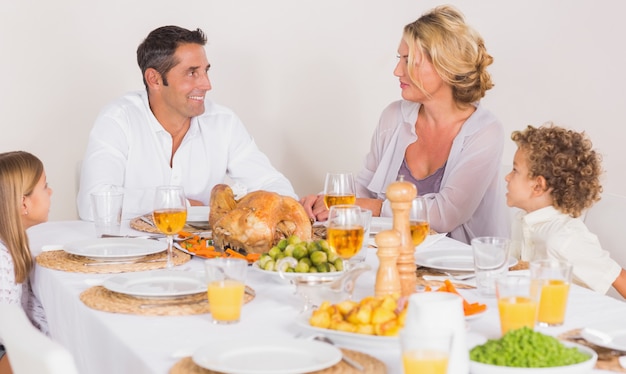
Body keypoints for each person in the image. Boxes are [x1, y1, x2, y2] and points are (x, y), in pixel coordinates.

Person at [300, 5, 509, 244]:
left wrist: (371, 207)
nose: (397, 71)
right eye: (399, 59)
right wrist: (326, 202)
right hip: (396, 258)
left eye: (409, 61)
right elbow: (364, 189)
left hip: (467, 269)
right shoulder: (394, 116)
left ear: (445, 67)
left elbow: (446, 214)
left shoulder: (485, 132)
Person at [77, 25, 296, 220]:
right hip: (130, 258)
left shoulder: (223, 122)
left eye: (205, 71)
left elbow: (270, 184)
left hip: (201, 258)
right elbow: (93, 203)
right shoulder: (119, 119)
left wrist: (295, 208)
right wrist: (184, 205)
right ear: (154, 79)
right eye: (192, 73)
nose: (207, 84)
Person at [506, 124, 626, 297]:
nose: (507, 177)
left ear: (538, 186)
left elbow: (618, 277)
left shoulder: (563, 237)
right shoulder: (522, 221)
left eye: (515, 170)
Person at [0, 151, 51, 373]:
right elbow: (9, 333)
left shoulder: (13, 246)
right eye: (45, 186)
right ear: (23, 203)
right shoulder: (3, 261)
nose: (51, 191)